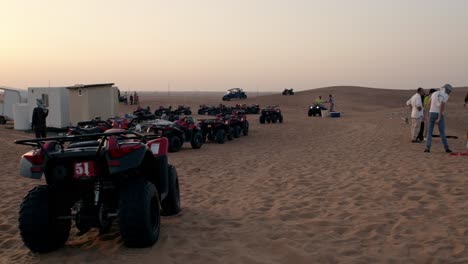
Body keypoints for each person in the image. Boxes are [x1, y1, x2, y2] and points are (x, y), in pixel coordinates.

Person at [424, 84, 454, 153]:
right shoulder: (446, 95)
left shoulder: (434, 93)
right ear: (447, 90)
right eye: (449, 91)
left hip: (431, 113)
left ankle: (427, 148)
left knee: (429, 132)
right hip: (438, 114)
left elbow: (429, 103)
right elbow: (442, 106)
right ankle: (446, 148)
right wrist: (439, 117)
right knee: (442, 132)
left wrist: (428, 115)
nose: (450, 92)